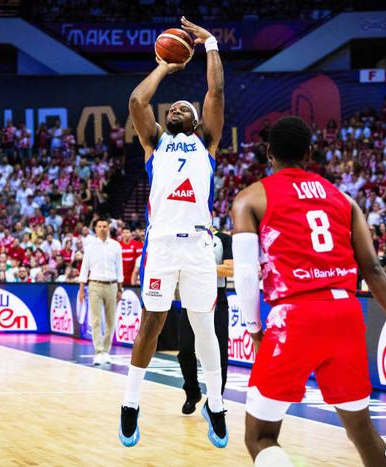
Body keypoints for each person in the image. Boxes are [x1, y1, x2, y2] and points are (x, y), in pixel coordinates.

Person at [231, 116, 386, 466]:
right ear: (309, 153)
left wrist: (254, 330)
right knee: (362, 430)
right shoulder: (343, 199)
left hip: (295, 316)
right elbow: (373, 270)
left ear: (268, 153)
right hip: (345, 313)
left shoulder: (250, 198)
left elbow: (244, 273)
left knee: (260, 436)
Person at [119, 16, 227, 448]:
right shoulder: (155, 142)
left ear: (198, 122)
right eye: (173, 109)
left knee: (204, 327)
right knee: (152, 321)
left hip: (199, 244)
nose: (176, 109)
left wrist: (211, 43)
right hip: (162, 244)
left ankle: (216, 403)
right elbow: (136, 100)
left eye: (185, 108)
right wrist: (164, 66)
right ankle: (130, 403)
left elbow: (216, 92)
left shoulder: (207, 143)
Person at [177, 228, 232, 414]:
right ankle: (192, 392)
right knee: (185, 348)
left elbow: (229, 269)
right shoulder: (187, 237)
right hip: (191, 295)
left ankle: (216, 399)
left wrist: (198, 269)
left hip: (217, 296)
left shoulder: (223, 239)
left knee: (220, 350)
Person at [78, 218, 123, 365]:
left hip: (112, 285)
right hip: (94, 285)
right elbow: (84, 267)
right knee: (96, 320)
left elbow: (119, 268)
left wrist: (120, 288)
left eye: (105, 226)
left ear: (108, 228)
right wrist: (81, 288)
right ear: (96, 229)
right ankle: (98, 351)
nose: (102, 228)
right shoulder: (90, 247)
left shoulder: (116, 246)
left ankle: (106, 351)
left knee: (110, 320)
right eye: (99, 226)